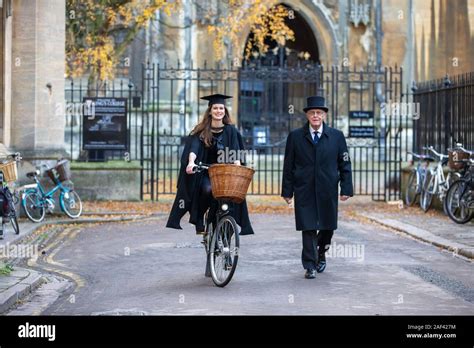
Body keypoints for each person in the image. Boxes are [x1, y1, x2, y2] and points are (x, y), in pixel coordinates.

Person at [281, 96, 353, 279]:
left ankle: (321, 252)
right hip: (304, 189)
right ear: (307, 115)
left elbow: (345, 163)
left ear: (324, 115)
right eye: (312, 113)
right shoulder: (295, 137)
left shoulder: (336, 137)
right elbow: (288, 166)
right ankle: (310, 265)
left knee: (328, 227)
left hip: (327, 189)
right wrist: (287, 191)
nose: (315, 116)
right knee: (308, 227)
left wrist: (346, 188)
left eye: (319, 113)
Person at [166, 93, 254, 237]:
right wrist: (191, 162)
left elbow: (236, 150)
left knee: (228, 196)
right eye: (215, 108)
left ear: (225, 111)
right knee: (208, 189)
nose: (219, 111)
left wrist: (237, 165)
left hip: (225, 173)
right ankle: (200, 216)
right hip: (205, 171)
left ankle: (220, 223)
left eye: (221, 108)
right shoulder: (202, 130)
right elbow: (194, 148)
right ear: (210, 111)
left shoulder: (231, 130)